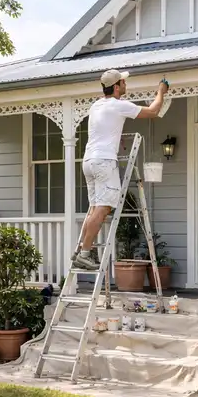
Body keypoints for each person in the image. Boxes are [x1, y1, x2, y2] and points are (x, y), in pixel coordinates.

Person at [72, 69, 169, 270]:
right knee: (103, 208)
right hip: (104, 162)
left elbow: (104, 128)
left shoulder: (96, 106)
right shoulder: (118, 105)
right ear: (116, 87)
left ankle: (82, 250)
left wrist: (119, 139)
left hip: (89, 160)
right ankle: (84, 253)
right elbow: (153, 111)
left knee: (95, 207)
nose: (125, 85)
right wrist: (161, 90)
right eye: (123, 83)